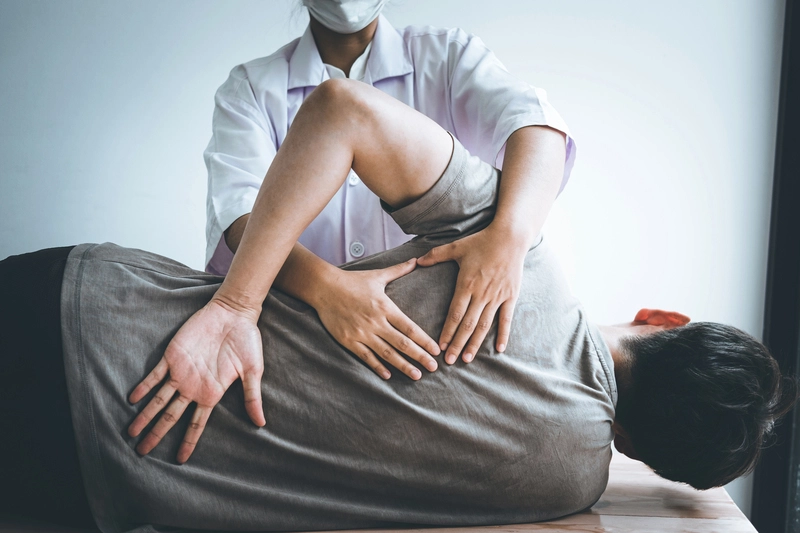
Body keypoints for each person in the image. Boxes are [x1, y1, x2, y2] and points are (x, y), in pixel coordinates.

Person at [0, 80, 794, 533]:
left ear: (664, 318)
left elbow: (340, 108)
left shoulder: (516, 259)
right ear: (643, 452)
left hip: (81, 315)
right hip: (87, 483)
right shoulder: (565, 487)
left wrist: (236, 304)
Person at [205, 0, 577, 377]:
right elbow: (240, 218)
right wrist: (326, 288)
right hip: (311, 324)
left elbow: (536, 125)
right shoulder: (252, 88)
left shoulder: (447, 55)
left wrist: (509, 238)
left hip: (445, 326)